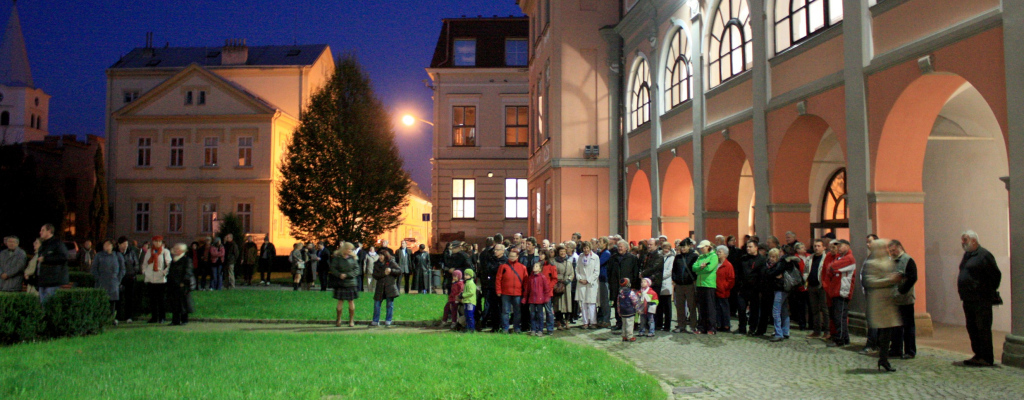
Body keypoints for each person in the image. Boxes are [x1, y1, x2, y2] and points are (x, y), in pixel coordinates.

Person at [955, 230, 1002, 367]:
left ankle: (987, 357)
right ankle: (978, 354)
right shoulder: (968, 256)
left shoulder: (984, 255)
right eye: (962, 240)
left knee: (983, 328)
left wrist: (984, 290)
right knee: (972, 327)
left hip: (981, 299)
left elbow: (995, 276)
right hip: (968, 299)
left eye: (965, 240)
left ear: (974, 240)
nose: (962, 243)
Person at [861, 238, 901, 372]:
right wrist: (889, 279)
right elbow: (870, 281)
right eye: (883, 247)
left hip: (888, 300)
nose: (886, 250)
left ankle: (884, 359)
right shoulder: (871, 263)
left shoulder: (887, 261)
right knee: (884, 331)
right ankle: (883, 359)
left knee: (887, 332)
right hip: (879, 301)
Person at [888, 240, 918, 359]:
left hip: (905, 298)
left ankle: (910, 351)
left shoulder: (908, 260)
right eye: (890, 251)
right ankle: (896, 349)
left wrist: (901, 290)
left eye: (893, 250)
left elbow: (913, 277)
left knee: (908, 326)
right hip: (893, 299)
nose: (892, 252)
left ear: (900, 247)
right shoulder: (891, 261)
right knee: (896, 326)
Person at [824, 239, 857, 348]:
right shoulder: (841, 257)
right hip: (837, 290)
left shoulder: (849, 258)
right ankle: (845, 338)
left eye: (840, 246)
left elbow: (832, 267)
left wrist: (833, 269)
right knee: (839, 316)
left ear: (847, 246)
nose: (838, 248)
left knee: (840, 317)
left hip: (842, 290)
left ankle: (840, 339)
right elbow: (830, 269)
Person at [767, 246, 801, 342]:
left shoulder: (784, 262)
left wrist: (770, 272)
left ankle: (778, 333)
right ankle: (785, 331)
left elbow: (772, 272)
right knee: (784, 310)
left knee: (776, 311)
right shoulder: (793, 261)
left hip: (781, 288)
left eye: (781, 251)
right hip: (787, 288)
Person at [91, 240, 125, 324]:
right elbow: (94, 269)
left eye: (108, 245)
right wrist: (98, 279)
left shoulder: (117, 255)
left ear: (112, 246)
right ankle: (101, 318)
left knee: (112, 302)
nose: (107, 246)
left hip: (113, 282)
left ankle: (112, 318)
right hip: (101, 282)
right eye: (105, 245)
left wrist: (118, 279)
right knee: (101, 301)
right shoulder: (99, 256)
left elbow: (122, 269)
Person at [608, 240, 640, 331]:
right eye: (618, 246)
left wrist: (634, 284)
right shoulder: (613, 258)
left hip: (628, 286)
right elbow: (609, 271)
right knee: (617, 304)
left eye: (621, 246)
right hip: (616, 285)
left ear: (626, 248)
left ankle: (631, 323)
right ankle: (619, 322)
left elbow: (635, 272)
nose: (619, 248)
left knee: (629, 304)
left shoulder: (632, 258)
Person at [35, 224, 70, 305]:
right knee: (42, 306)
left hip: (53, 282)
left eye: (43, 230)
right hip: (42, 282)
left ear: (49, 231)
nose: (40, 232)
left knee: (49, 305)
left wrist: (46, 259)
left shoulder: (57, 243)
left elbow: (64, 257)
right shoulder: (43, 245)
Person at [496, 247, 527, 334]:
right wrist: (498, 291)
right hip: (505, 293)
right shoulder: (503, 267)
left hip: (517, 293)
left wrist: (525, 292)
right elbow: (498, 279)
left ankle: (516, 327)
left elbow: (525, 281)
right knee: (505, 311)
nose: (511, 258)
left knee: (517, 311)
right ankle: (505, 328)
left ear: (517, 257)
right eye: (510, 256)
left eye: (513, 256)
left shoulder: (522, 267)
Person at [671, 239, 699, 333]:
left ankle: (693, 325)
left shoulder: (694, 256)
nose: (682, 249)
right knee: (680, 306)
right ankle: (681, 325)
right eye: (681, 247)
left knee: (692, 306)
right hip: (679, 285)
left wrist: (693, 279)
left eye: (684, 247)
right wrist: (675, 279)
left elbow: (696, 270)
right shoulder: (678, 257)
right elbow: (674, 269)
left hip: (689, 284)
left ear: (689, 246)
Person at [141, 236, 171, 323]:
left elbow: (169, 264)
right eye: (156, 241)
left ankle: (162, 317)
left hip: (160, 279)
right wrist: (144, 271)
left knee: (161, 299)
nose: (157, 243)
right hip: (150, 278)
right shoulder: (149, 252)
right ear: (153, 242)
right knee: (152, 299)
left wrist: (164, 272)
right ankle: (154, 317)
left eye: (159, 241)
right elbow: (145, 263)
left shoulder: (165, 252)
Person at [329, 242, 359, 327]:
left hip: (351, 283)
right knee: (340, 301)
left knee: (351, 301)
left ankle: (351, 320)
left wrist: (347, 275)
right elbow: (333, 268)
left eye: (351, 249)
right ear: (344, 249)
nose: (350, 250)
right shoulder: (337, 258)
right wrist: (339, 274)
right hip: (340, 283)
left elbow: (357, 270)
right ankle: (338, 320)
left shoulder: (353, 258)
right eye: (349, 249)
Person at [693, 240, 719, 334]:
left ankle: (711, 328)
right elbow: (694, 268)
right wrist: (700, 268)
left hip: (709, 284)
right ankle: (701, 327)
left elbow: (709, 268)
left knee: (710, 307)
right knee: (701, 307)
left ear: (708, 247)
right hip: (700, 284)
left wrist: (699, 270)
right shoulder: (700, 257)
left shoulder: (714, 257)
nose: (701, 249)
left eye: (703, 247)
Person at [806, 239, 829, 338]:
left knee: (825, 309)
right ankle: (816, 330)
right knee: (814, 310)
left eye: (819, 246)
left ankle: (827, 331)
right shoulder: (810, 258)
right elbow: (806, 270)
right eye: (815, 246)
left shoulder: (826, 258)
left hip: (822, 287)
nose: (816, 248)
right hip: (811, 285)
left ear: (824, 247)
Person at [372, 251, 402, 327]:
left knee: (389, 304)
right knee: (377, 304)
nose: (380, 257)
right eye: (379, 255)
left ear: (386, 256)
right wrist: (384, 273)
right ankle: (375, 321)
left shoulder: (391, 262)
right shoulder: (376, 264)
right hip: (380, 287)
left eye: (382, 255)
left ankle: (388, 320)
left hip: (390, 286)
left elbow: (399, 271)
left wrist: (391, 271)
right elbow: (375, 275)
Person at [167, 243, 194, 326]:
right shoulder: (174, 260)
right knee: (174, 303)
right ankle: (175, 320)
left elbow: (188, 271)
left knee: (183, 303)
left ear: (182, 250)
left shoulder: (186, 260)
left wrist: (183, 282)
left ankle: (184, 320)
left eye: (177, 249)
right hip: (173, 284)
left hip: (182, 285)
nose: (175, 250)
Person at [522, 263, 551, 337]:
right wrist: (525, 298)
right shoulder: (530, 278)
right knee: (532, 315)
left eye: (536, 266)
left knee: (540, 315)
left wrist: (546, 298)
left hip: (540, 300)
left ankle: (540, 330)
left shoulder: (542, 277)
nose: (534, 267)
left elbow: (546, 289)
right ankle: (533, 329)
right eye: (534, 266)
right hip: (532, 300)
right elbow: (527, 289)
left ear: (540, 269)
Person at [576, 242, 599, 329]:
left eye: (587, 248)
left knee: (592, 303)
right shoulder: (580, 257)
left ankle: (593, 322)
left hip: (591, 284)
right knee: (583, 303)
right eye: (584, 248)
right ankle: (585, 322)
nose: (586, 250)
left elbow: (596, 272)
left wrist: (588, 280)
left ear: (590, 248)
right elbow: (577, 269)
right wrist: (580, 279)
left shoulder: (595, 257)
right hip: (582, 283)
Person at [116, 237, 140, 323]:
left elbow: (136, 264)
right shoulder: (115, 253)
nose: (125, 246)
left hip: (130, 278)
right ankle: (117, 316)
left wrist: (134, 272)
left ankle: (129, 316)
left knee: (129, 298)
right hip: (119, 278)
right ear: (119, 244)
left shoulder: (131, 252)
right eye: (123, 244)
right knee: (118, 298)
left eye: (126, 244)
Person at [553, 246, 574, 329]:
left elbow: (572, 273)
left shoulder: (569, 262)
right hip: (558, 286)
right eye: (561, 251)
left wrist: (569, 279)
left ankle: (567, 322)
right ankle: (558, 322)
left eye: (564, 251)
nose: (562, 253)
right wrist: (558, 280)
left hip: (567, 286)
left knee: (568, 304)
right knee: (558, 304)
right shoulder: (554, 262)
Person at [714, 245, 735, 333]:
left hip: (723, 291)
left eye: (720, 252)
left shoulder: (728, 265)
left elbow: (731, 279)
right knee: (717, 308)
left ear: (725, 254)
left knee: (724, 308)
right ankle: (719, 324)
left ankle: (726, 325)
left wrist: (724, 287)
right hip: (715, 289)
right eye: (718, 251)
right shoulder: (715, 264)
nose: (718, 253)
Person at [539, 250, 558, 334]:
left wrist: (548, 287)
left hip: (547, 292)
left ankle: (550, 328)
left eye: (542, 254)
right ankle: (539, 328)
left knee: (548, 311)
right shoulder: (537, 265)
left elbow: (554, 278)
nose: (540, 256)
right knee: (539, 311)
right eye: (539, 254)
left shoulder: (551, 266)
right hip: (538, 291)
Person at [617, 278, 639, 342]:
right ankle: (630, 336)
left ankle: (624, 336)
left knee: (624, 324)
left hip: (623, 312)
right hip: (630, 311)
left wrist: (619, 311)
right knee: (630, 324)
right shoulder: (631, 293)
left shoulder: (620, 293)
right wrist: (637, 308)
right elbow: (635, 301)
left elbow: (618, 303)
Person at [462, 269, 477, 333]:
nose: (465, 276)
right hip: (466, 301)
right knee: (467, 315)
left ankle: (471, 328)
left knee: (470, 315)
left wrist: (463, 295)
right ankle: (468, 327)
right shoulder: (467, 282)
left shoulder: (471, 283)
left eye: (467, 275)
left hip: (470, 302)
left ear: (471, 275)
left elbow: (471, 292)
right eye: (464, 274)